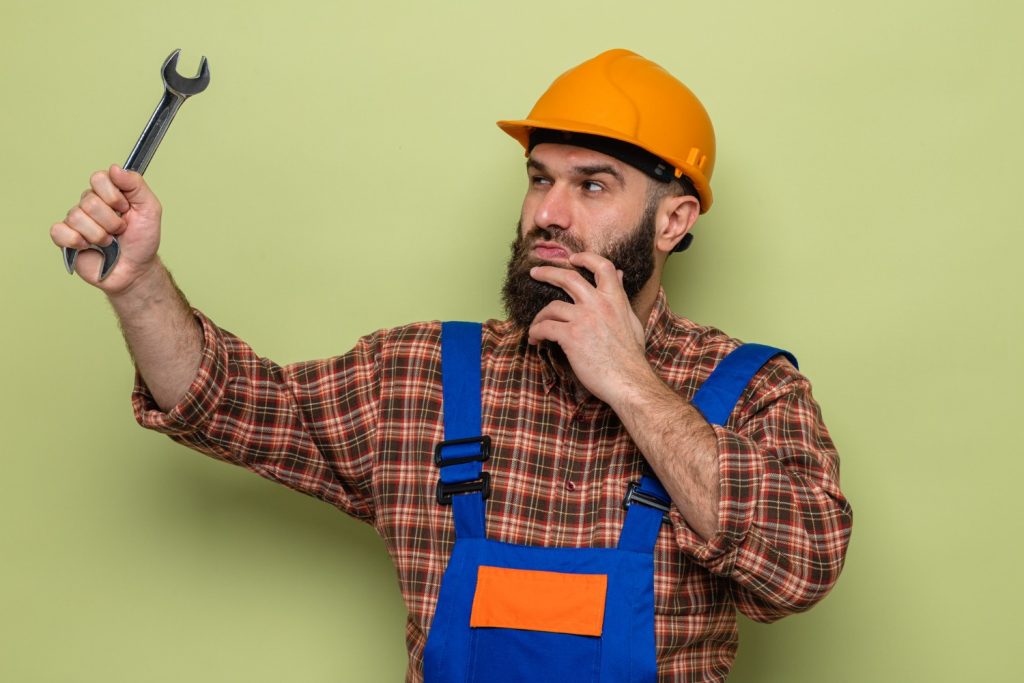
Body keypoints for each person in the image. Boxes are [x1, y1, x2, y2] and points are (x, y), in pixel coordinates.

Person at [50, 49, 852, 682]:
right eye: (539, 178)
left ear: (674, 220)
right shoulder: (424, 374)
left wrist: (631, 382)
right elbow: (226, 403)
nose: (548, 213)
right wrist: (140, 284)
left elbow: (803, 567)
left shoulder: (753, 389)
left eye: (592, 185)